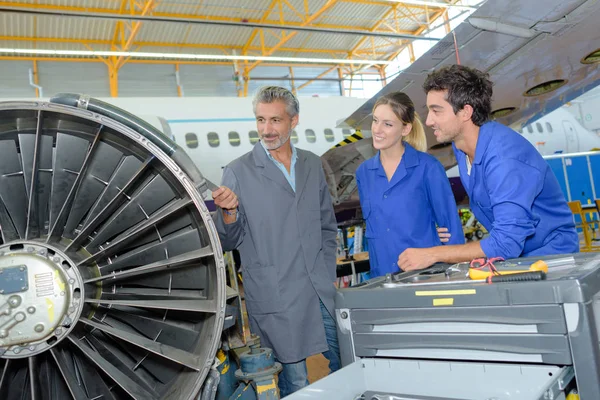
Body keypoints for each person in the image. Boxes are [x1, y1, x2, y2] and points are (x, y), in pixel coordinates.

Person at [212, 86, 340, 397]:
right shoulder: (238, 172)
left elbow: (326, 226)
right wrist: (228, 214)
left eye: (276, 121)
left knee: (347, 363)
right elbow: (227, 241)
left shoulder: (311, 164)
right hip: (277, 293)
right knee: (296, 383)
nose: (267, 130)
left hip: (318, 289)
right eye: (260, 120)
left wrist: (326, 272)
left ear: (294, 121)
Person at [398, 65, 579, 271]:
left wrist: (433, 254)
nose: (429, 121)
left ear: (466, 112)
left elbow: (505, 243)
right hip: (517, 256)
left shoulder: (504, 159)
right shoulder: (463, 147)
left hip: (551, 258)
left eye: (436, 111)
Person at [355, 92, 464, 277]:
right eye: (375, 121)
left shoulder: (428, 167)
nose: (377, 129)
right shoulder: (363, 173)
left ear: (405, 129)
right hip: (382, 278)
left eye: (387, 124)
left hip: (425, 277)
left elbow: (452, 231)